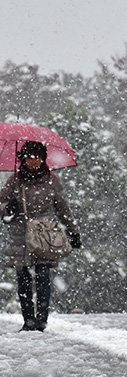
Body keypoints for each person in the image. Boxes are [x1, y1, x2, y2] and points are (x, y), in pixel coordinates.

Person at [0, 141, 81, 332]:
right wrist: (7, 208)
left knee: (43, 276)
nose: (33, 162)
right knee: (23, 279)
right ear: (23, 159)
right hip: (20, 236)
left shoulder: (52, 181)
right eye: (29, 158)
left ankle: (41, 319)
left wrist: (73, 231)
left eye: (37, 158)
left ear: (43, 159)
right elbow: (1, 203)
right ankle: (28, 320)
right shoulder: (14, 182)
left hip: (45, 236)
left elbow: (63, 209)